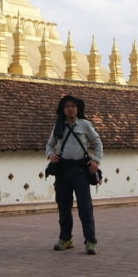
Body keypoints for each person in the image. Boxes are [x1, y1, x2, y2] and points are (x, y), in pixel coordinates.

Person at [46, 95, 103, 255]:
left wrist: (96, 160)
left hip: (79, 170)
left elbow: (97, 142)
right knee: (63, 207)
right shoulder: (58, 126)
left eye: (73, 106)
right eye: (67, 106)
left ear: (78, 109)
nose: (70, 108)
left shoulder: (84, 124)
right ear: (62, 110)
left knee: (85, 207)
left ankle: (90, 241)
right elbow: (49, 145)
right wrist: (50, 154)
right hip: (63, 170)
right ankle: (66, 238)